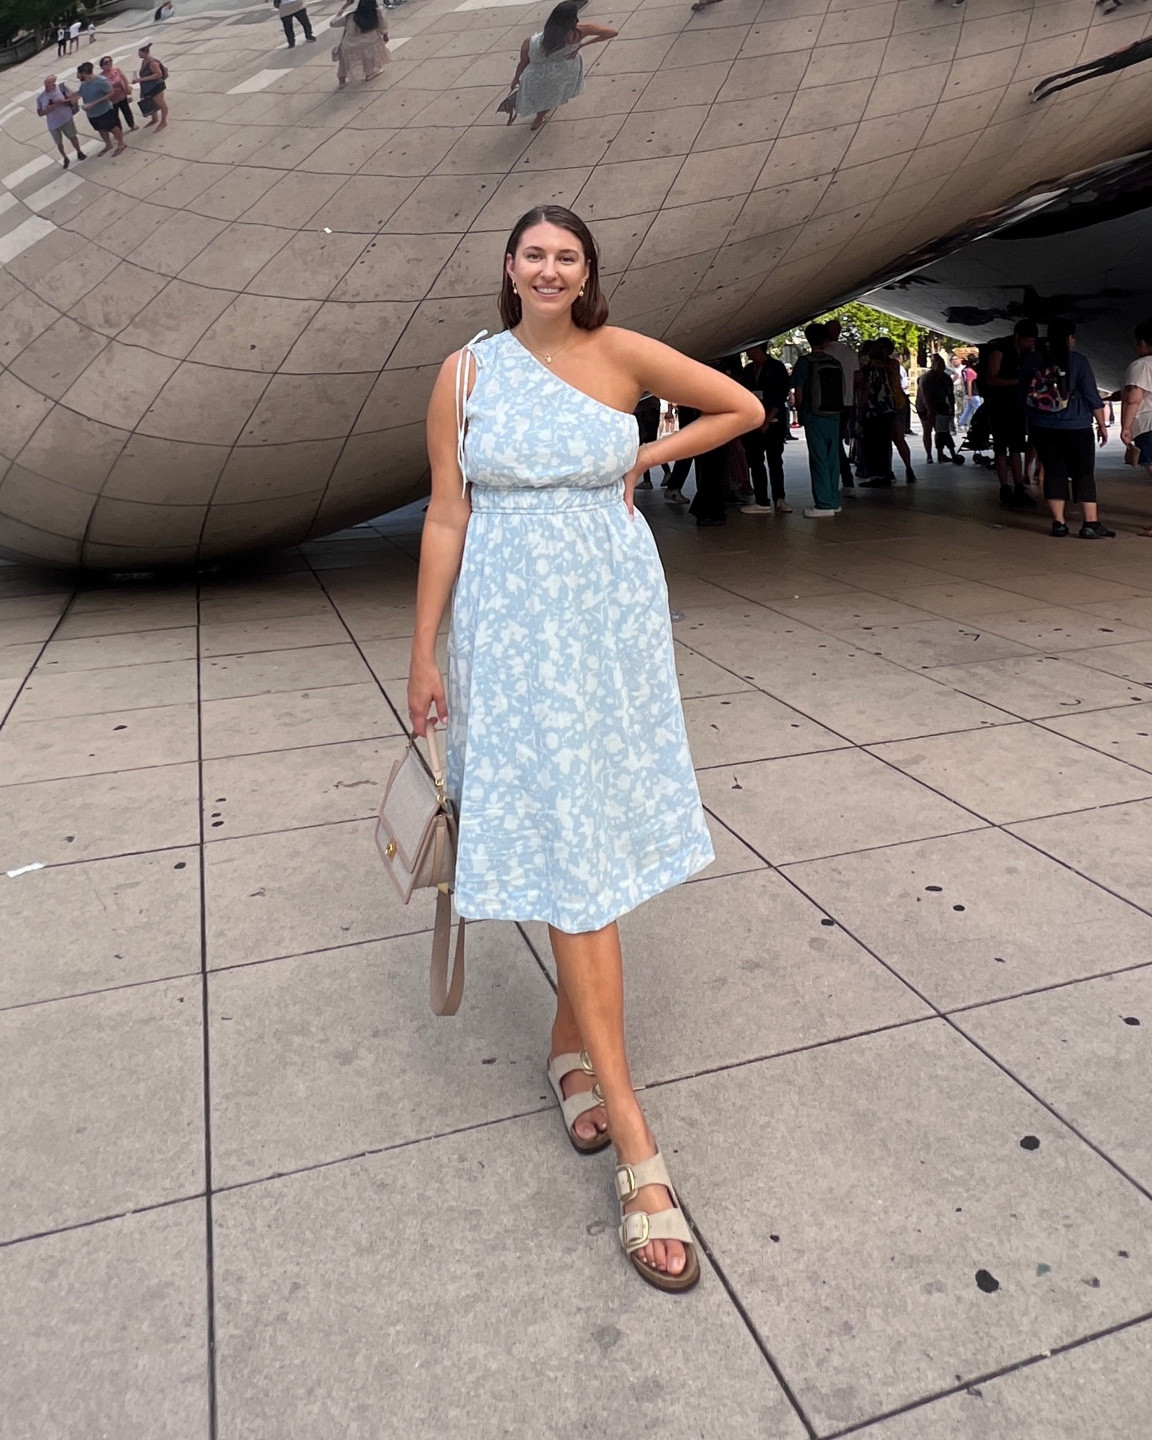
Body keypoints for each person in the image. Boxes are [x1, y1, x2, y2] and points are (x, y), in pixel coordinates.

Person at [409, 204, 760, 1293]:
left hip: (608, 625)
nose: (551, 269)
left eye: (568, 256)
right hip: (512, 634)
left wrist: (647, 450)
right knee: (575, 860)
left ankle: (571, 1051)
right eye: (535, 254)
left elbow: (743, 407)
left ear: (587, 270)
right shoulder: (466, 373)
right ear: (509, 267)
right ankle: (638, 1148)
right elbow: (447, 515)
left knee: (593, 839)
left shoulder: (622, 353)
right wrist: (423, 651)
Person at [1019, 319, 1114, 539]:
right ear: (1069, 338)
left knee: (1054, 472)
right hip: (1076, 426)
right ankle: (1090, 524)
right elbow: (1092, 396)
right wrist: (1101, 424)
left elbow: (1022, 395)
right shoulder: (1078, 361)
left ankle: (1059, 524)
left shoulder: (1033, 360)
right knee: (1083, 473)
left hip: (1042, 427)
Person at [507, 1, 617, 132]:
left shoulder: (530, 42)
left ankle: (539, 117)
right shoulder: (579, 32)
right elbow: (612, 32)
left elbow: (523, 62)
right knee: (553, 96)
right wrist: (581, 45)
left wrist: (516, 78)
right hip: (562, 72)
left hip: (537, 76)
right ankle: (539, 117)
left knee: (540, 97)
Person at [983, 320, 1038, 508]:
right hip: (999, 405)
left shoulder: (1026, 352)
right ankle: (1005, 488)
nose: (1031, 344)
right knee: (1000, 447)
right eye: (1028, 340)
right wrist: (1019, 382)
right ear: (1017, 337)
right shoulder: (1000, 349)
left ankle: (1019, 487)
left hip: (1017, 405)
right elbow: (991, 378)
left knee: (1016, 447)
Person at [791, 322, 844, 517]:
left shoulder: (805, 362)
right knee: (833, 459)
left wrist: (800, 412)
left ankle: (823, 504)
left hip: (814, 415)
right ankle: (834, 500)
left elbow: (798, 391)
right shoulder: (834, 362)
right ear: (826, 340)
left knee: (818, 458)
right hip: (834, 415)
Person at [739, 344, 791, 514]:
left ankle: (779, 498)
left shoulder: (777, 367)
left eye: (750, 349)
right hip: (753, 422)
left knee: (775, 460)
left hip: (774, 421)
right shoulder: (748, 370)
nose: (747, 352)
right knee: (755, 462)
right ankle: (762, 500)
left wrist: (767, 420)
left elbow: (780, 396)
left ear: (758, 349)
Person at [1031, 33, 1152, 102]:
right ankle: (1051, 80)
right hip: (1121, 56)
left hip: (1121, 64)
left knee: (1085, 77)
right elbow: (1138, 42)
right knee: (1083, 69)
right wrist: (1121, 50)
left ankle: (1053, 89)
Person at [1121, 321, 1152, 532]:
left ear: (1142, 343)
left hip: (1148, 425)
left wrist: (1126, 427)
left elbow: (1134, 398)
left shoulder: (1141, 365)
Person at [824, 317, 859, 491]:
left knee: (830, 442)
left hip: (826, 403)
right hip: (846, 402)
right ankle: (845, 477)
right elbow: (857, 378)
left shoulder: (823, 353)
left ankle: (841, 476)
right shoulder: (850, 353)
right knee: (836, 440)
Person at [330, 0, 389, 86]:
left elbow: (333, 23)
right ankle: (370, 73)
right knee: (368, 56)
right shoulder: (376, 13)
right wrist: (385, 35)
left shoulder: (351, 16)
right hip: (370, 41)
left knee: (343, 62)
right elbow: (383, 25)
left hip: (350, 44)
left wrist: (345, 5)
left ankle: (342, 80)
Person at [918, 355, 964, 464]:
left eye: (943, 364)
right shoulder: (926, 378)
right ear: (933, 365)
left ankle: (941, 453)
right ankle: (929, 455)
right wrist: (930, 411)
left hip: (941, 407)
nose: (942, 367)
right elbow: (925, 396)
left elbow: (950, 394)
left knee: (941, 431)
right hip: (925, 407)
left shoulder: (946, 378)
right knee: (927, 430)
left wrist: (951, 408)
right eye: (939, 364)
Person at [76, 60, 126, 157]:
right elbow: (80, 93)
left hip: (104, 111)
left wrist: (93, 103)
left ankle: (121, 143)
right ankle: (108, 144)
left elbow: (111, 93)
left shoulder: (101, 81)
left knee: (113, 128)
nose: (77, 76)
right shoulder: (83, 84)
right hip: (92, 114)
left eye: (78, 74)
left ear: (84, 73)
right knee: (101, 129)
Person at [36, 74, 86, 169]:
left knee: (72, 136)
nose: (47, 84)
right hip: (53, 124)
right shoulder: (41, 97)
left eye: (49, 82)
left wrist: (60, 102)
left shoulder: (62, 89)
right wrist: (47, 110)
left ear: (54, 82)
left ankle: (79, 152)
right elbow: (39, 112)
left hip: (66, 118)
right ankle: (65, 158)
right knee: (59, 142)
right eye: (45, 82)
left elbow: (72, 99)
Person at [99, 55, 136, 133]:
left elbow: (125, 80)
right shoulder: (101, 77)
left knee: (127, 111)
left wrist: (127, 91)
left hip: (121, 95)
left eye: (110, 61)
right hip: (111, 99)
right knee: (114, 116)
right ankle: (119, 131)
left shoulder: (117, 70)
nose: (108, 63)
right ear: (102, 66)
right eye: (106, 62)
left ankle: (132, 124)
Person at [136, 43, 169, 131]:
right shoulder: (144, 61)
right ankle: (154, 119)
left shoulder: (152, 63)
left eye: (140, 53)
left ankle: (164, 121)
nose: (139, 55)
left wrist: (141, 79)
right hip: (148, 87)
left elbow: (158, 74)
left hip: (156, 86)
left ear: (145, 53)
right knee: (152, 103)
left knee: (160, 104)